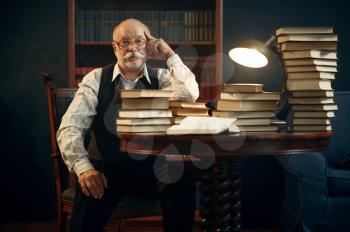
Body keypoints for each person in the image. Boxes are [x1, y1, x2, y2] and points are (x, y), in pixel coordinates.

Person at [57, 18, 199, 232]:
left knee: (182, 175)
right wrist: (84, 170)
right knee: (87, 201)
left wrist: (170, 55)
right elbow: (70, 127)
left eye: (139, 41)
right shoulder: (95, 79)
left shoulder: (162, 77)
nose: (132, 48)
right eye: (124, 42)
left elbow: (189, 96)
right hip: (107, 171)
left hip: (151, 170)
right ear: (115, 48)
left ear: (149, 44)